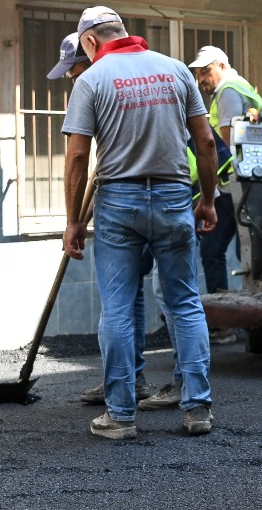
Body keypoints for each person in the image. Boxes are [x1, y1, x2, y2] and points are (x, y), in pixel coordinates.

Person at [60, 6, 219, 439]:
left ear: (90, 42)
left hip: (119, 201)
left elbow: (77, 156)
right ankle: (198, 409)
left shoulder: (90, 80)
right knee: (185, 303)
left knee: (117, 308)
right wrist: (207, 199)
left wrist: (73, 220)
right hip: (173, 196)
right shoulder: (175, 71)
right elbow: (205, 142)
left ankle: (121, 417)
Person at [48, 32, 175, 410]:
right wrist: (78, 216)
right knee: (142, 297)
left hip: (131, 203)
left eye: (73, 72)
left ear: (90, 54)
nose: (73, 81)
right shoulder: (146, 78)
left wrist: (74, 221)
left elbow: (79, 158)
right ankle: (132, 381)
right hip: (164, 197)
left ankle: (129, 395)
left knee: (140, 300)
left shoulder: (100, 81)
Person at [188, 44, 262, 293]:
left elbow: (224, 145)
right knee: (239, 251)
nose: (201, 79)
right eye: (198, 74)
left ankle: (230, 319)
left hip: (234, 185)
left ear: (222, 66)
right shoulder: (244, 87)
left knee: (230, 251)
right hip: (252, 182)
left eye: (205, 71)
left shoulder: (227, 92)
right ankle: (235, 316)